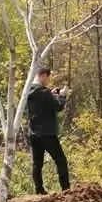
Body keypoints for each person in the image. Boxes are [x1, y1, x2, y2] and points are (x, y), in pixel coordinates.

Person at [26, 67, 70, 195]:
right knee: (61, 160)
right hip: (47, 133)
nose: (48, 81)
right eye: (48, 77)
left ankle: (39, 189)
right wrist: (62, 95)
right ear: (43, 75)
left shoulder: (29, 91)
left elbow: (43, 101)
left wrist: (52, 93)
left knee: (37, 163)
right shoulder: (44, 93)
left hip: (34, 133)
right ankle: (66, 189)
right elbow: (58, 106)